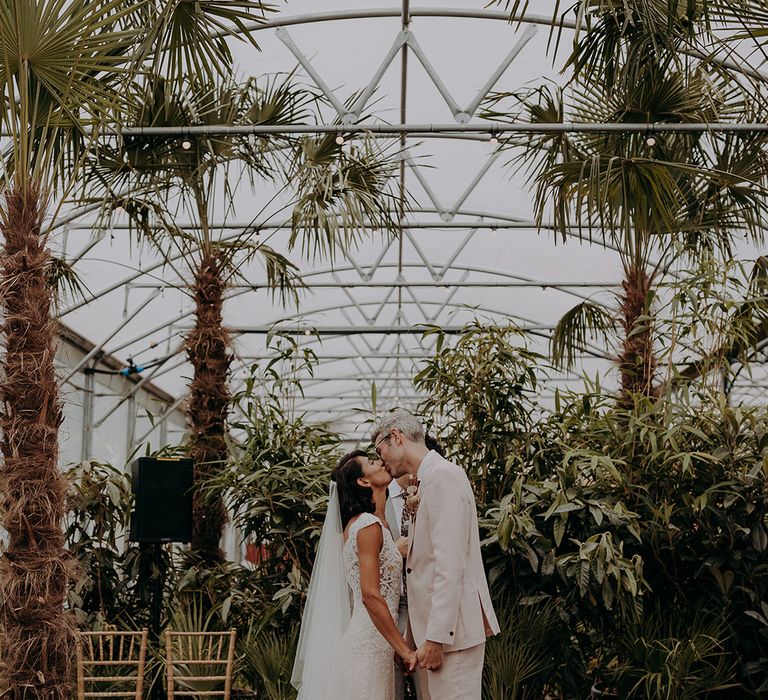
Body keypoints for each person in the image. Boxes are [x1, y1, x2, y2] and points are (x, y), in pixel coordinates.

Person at [372, 410, 500, 700]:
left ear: (396, 437)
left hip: (450, 637)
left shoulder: (443, 478)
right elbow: (423, 566)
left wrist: (436, 638)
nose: (382, 462)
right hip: (435, 634)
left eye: (380, 451)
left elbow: (449, 566)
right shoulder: (427, 480)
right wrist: (414, 637)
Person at [291, 450, 417, 700]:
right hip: (366, 650)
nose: (381, 462)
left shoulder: (375, 524)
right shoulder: (366, 525)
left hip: (379, 647)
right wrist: (404, 650)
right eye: (372, 462)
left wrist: (393, 648)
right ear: (363, 481)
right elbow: (370, 594)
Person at [386, 434, 444, 700]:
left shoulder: (436, 490)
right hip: (390, 610)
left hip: (428, 611)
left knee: (430, 691)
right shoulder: (378, 499)